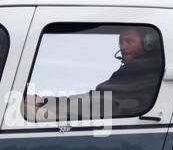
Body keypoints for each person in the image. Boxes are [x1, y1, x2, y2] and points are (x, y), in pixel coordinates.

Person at [27, 27, 163, 122]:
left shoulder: (139, 69)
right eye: (120, 41)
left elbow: (97, 103)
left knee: (24, 110)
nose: (122, 47)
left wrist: (43, 102)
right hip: (99, 115)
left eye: (129, 41)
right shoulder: (147, 69)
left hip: (102, 118)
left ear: (148, 43)